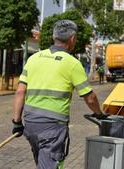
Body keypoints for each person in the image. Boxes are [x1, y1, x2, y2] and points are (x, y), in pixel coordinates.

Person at [12, 20, 107, 169]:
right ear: (72, 39)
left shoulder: (34, 58)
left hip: (30, 125)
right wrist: (99, 113)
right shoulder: (72, 63)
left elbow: (20, 92)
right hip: (52, 128)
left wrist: (17, 122)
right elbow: (90, 97)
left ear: (53, 36)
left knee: (42, 164)